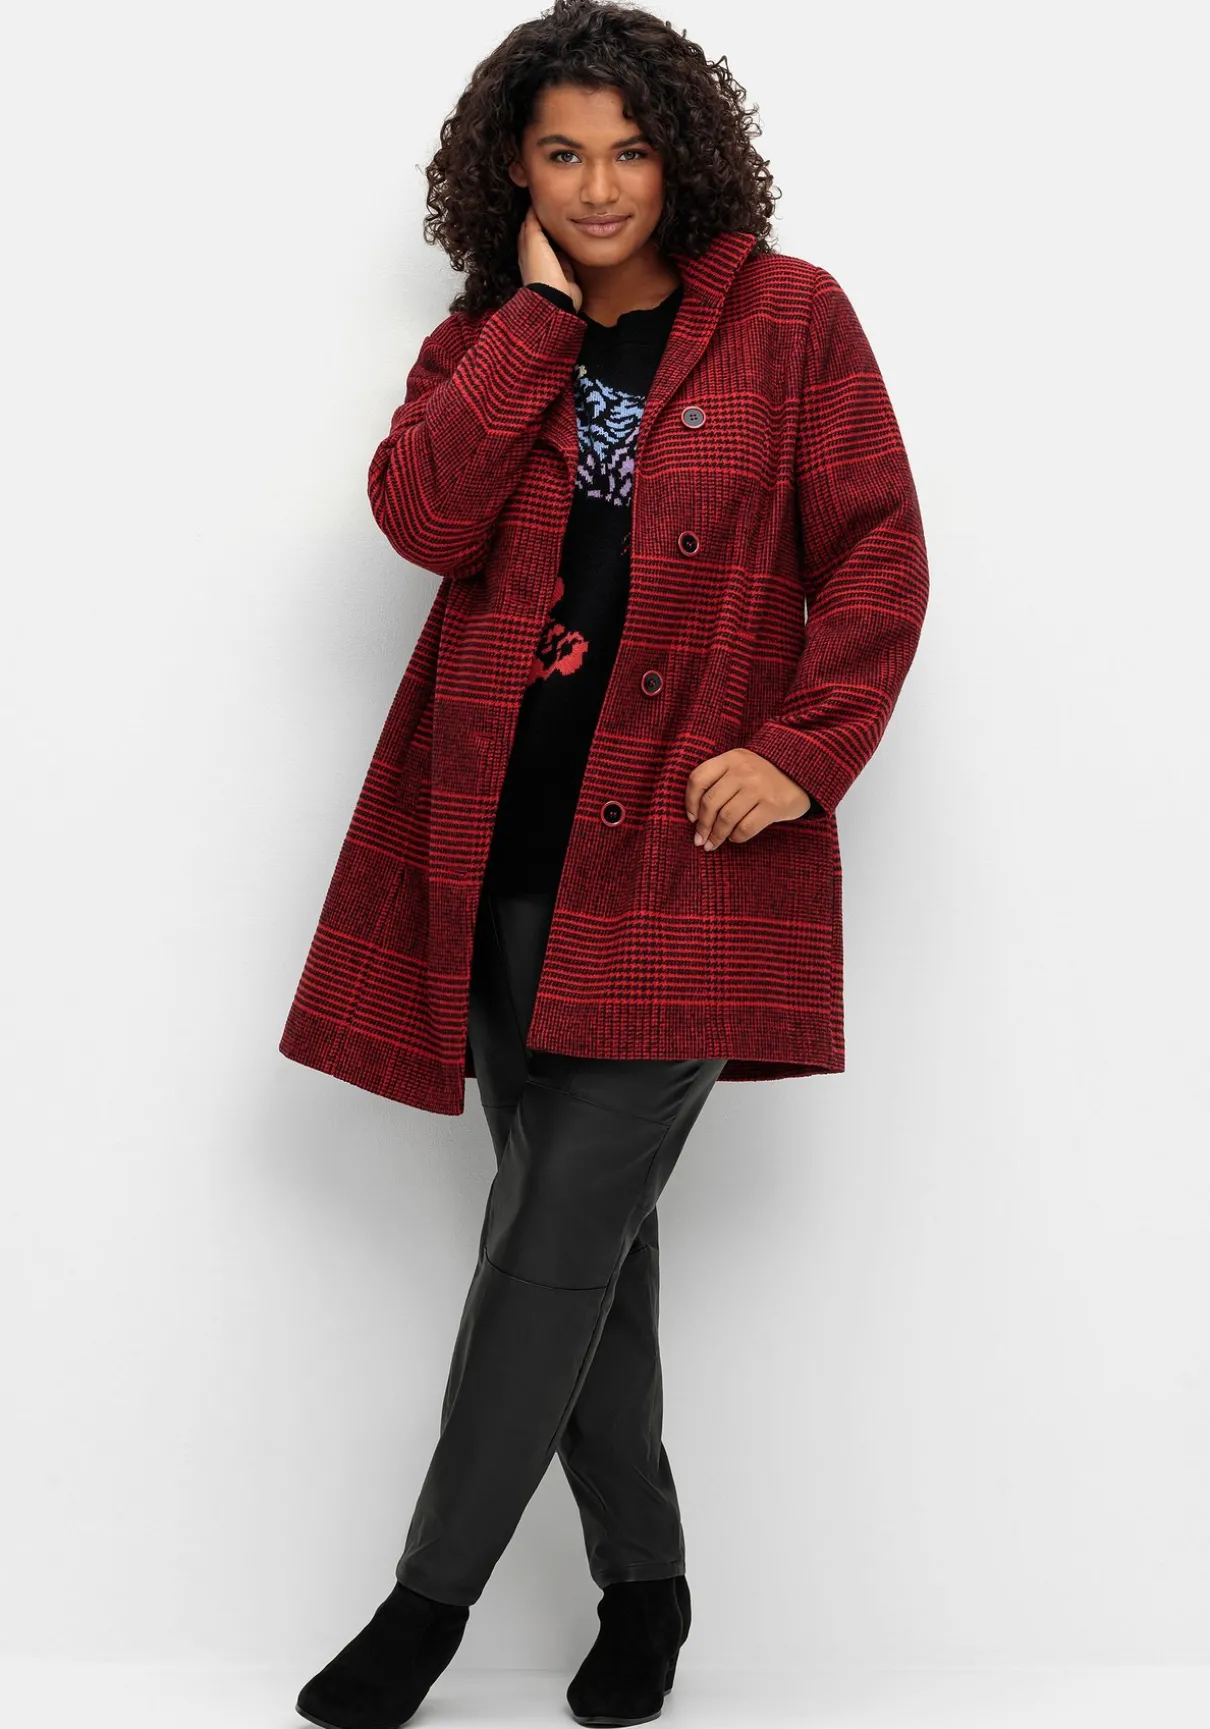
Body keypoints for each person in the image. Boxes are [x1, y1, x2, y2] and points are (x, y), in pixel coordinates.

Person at [287, 3, 929, 1725]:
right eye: (560, 152)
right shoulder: (479, 341)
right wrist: (531, 327)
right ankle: (645, 1589)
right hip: (497, 846)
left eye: (630, 150)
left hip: (688, 866)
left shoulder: (789, 320)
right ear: (509, 168)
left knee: (551, 1233)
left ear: (682, 156)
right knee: (588, 1252)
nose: (597, 187)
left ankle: (420, 1611)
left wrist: (798, 753)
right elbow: (423, 520)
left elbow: (877, 555)